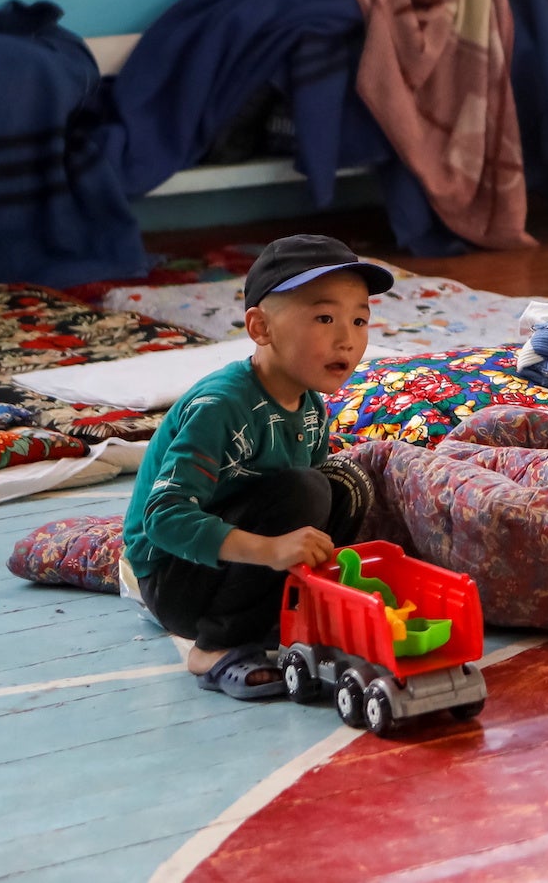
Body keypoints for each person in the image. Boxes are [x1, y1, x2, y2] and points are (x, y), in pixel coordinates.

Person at [119, 235, 394, 699]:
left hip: (236, 557)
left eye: (359, 319)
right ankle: (215, 644)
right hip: (175, 576)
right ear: (261, 328)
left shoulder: (310, 407)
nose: (347, 338)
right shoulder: (219, 406)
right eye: (324, 318)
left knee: (344, 484)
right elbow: (164, 520)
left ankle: (283, 614)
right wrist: (270, 551)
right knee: (305, 490)